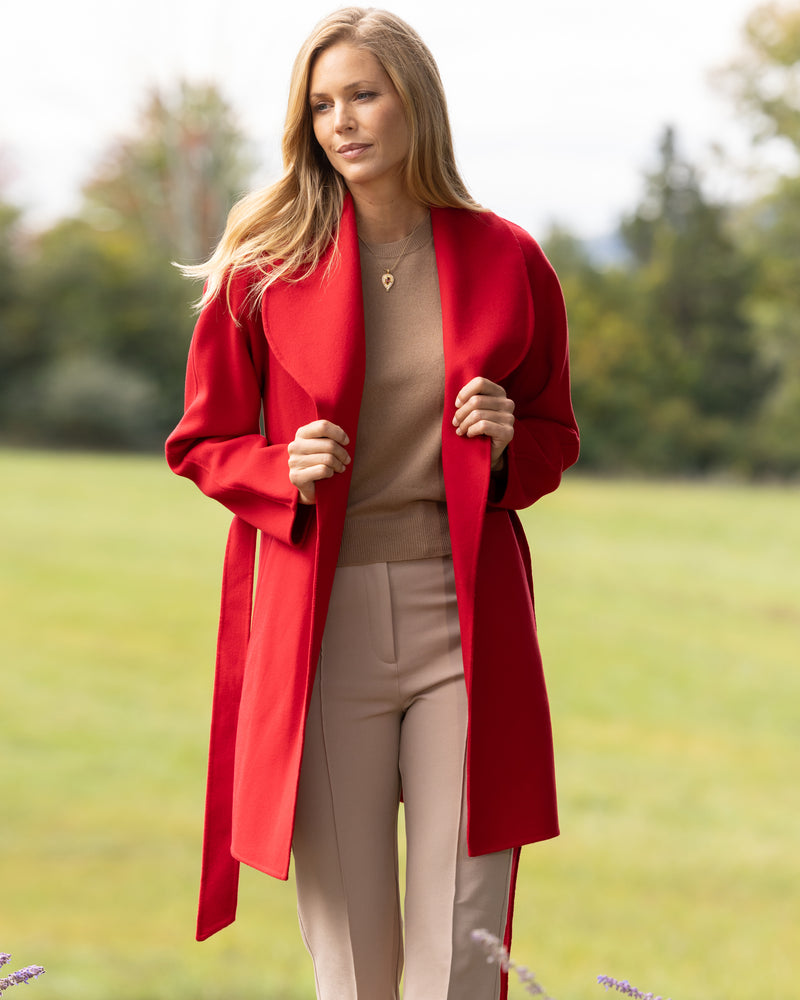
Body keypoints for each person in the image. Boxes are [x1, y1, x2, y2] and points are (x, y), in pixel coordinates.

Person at [166, 7, 579, 1000]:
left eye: (362, 93)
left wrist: (508, 436)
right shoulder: (263, 261)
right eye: (320, 104)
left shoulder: (508, 257)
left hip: (462, 621)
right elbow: (201, 442)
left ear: (413, 102)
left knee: (463, 948)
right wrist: (278, 465)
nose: (340, 121)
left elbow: (556, 435)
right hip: (323, 626)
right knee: (353, 963)